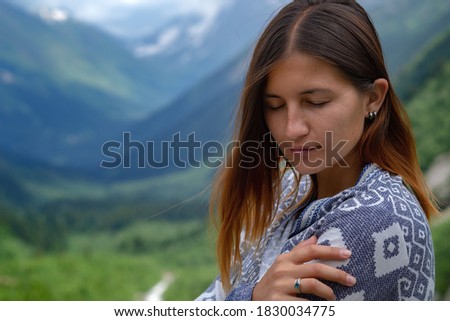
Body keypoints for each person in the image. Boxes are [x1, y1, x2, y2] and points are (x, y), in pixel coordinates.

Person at [196, 0, 437, 301]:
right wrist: (253, 298)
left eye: (316, 102)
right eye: (275, 106)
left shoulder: (376, 221)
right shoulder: (285, 190)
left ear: (373, 98)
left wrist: (249, 300)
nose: (291, 128)